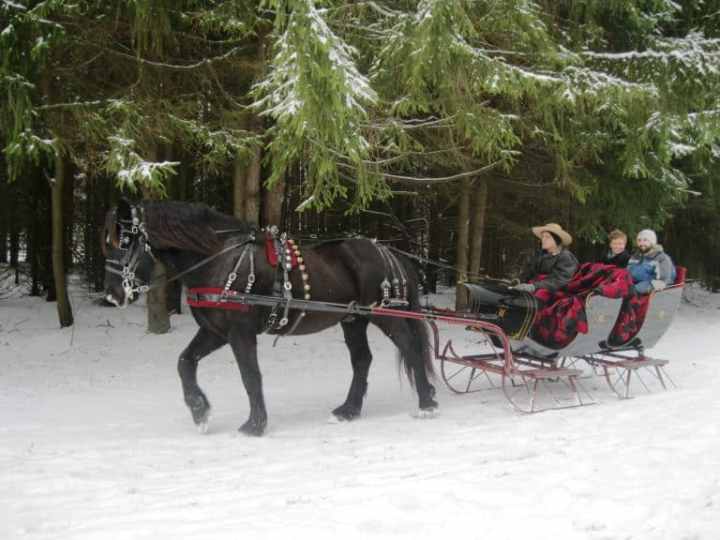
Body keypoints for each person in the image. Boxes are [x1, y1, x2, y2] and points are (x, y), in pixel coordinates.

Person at [513, 223, 579, 293]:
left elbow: (558, 280)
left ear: (556, 240)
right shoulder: (540, 254)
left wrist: (533, 286)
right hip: (537, 288)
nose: (543, 239)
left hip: (554, 293)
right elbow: (529, 272)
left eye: (547, 237)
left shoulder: (565, 257)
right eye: (543, 237)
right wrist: (519, 281)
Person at [627, 229, 676, 294]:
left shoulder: (662, 258)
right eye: (639, 240)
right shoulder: (636, 256)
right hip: (635, 283)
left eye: (645, 240)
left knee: (629, 291)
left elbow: (662, 281)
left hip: (653, 285)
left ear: (652, 242)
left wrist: (635, 289)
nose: (641, 243)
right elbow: (627, 271)